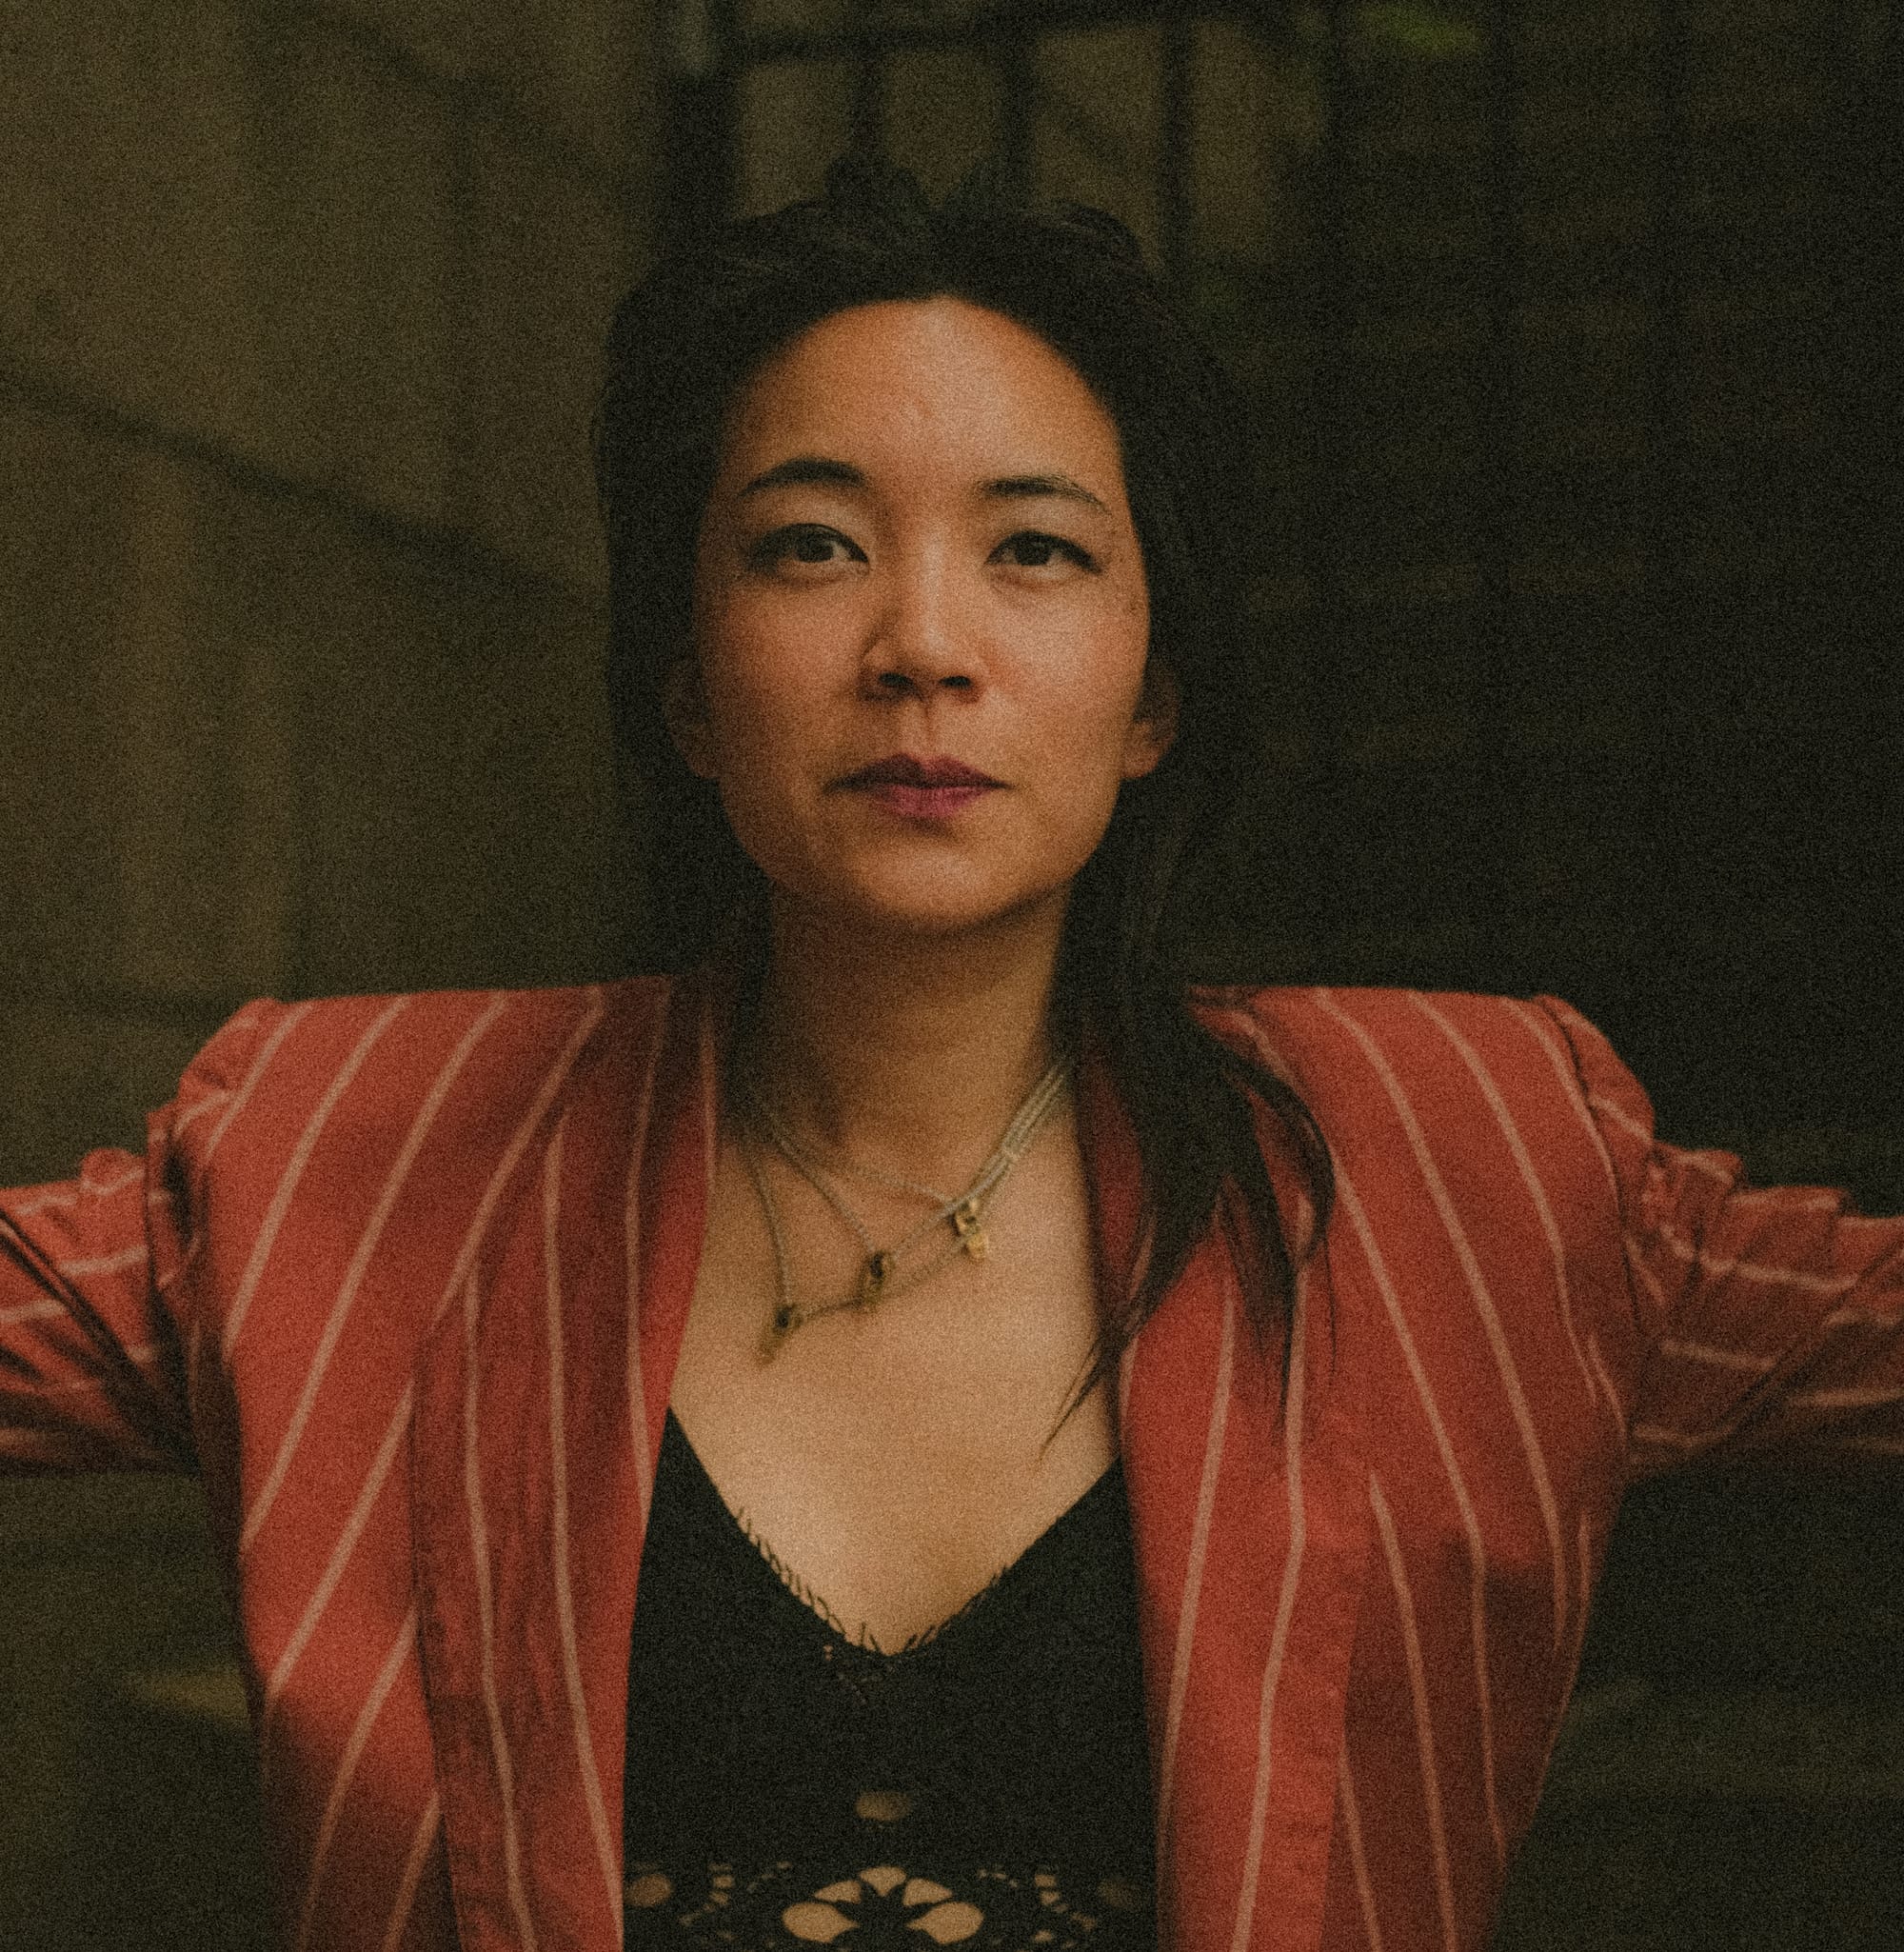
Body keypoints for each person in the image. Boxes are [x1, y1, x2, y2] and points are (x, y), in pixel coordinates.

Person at [1, 157, 1898, 1952]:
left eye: (1037, 549)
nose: (921, 641)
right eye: (811, 544)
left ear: (1154, 689)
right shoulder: (350, 1156)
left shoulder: (1473, 1169)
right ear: (685, 677)